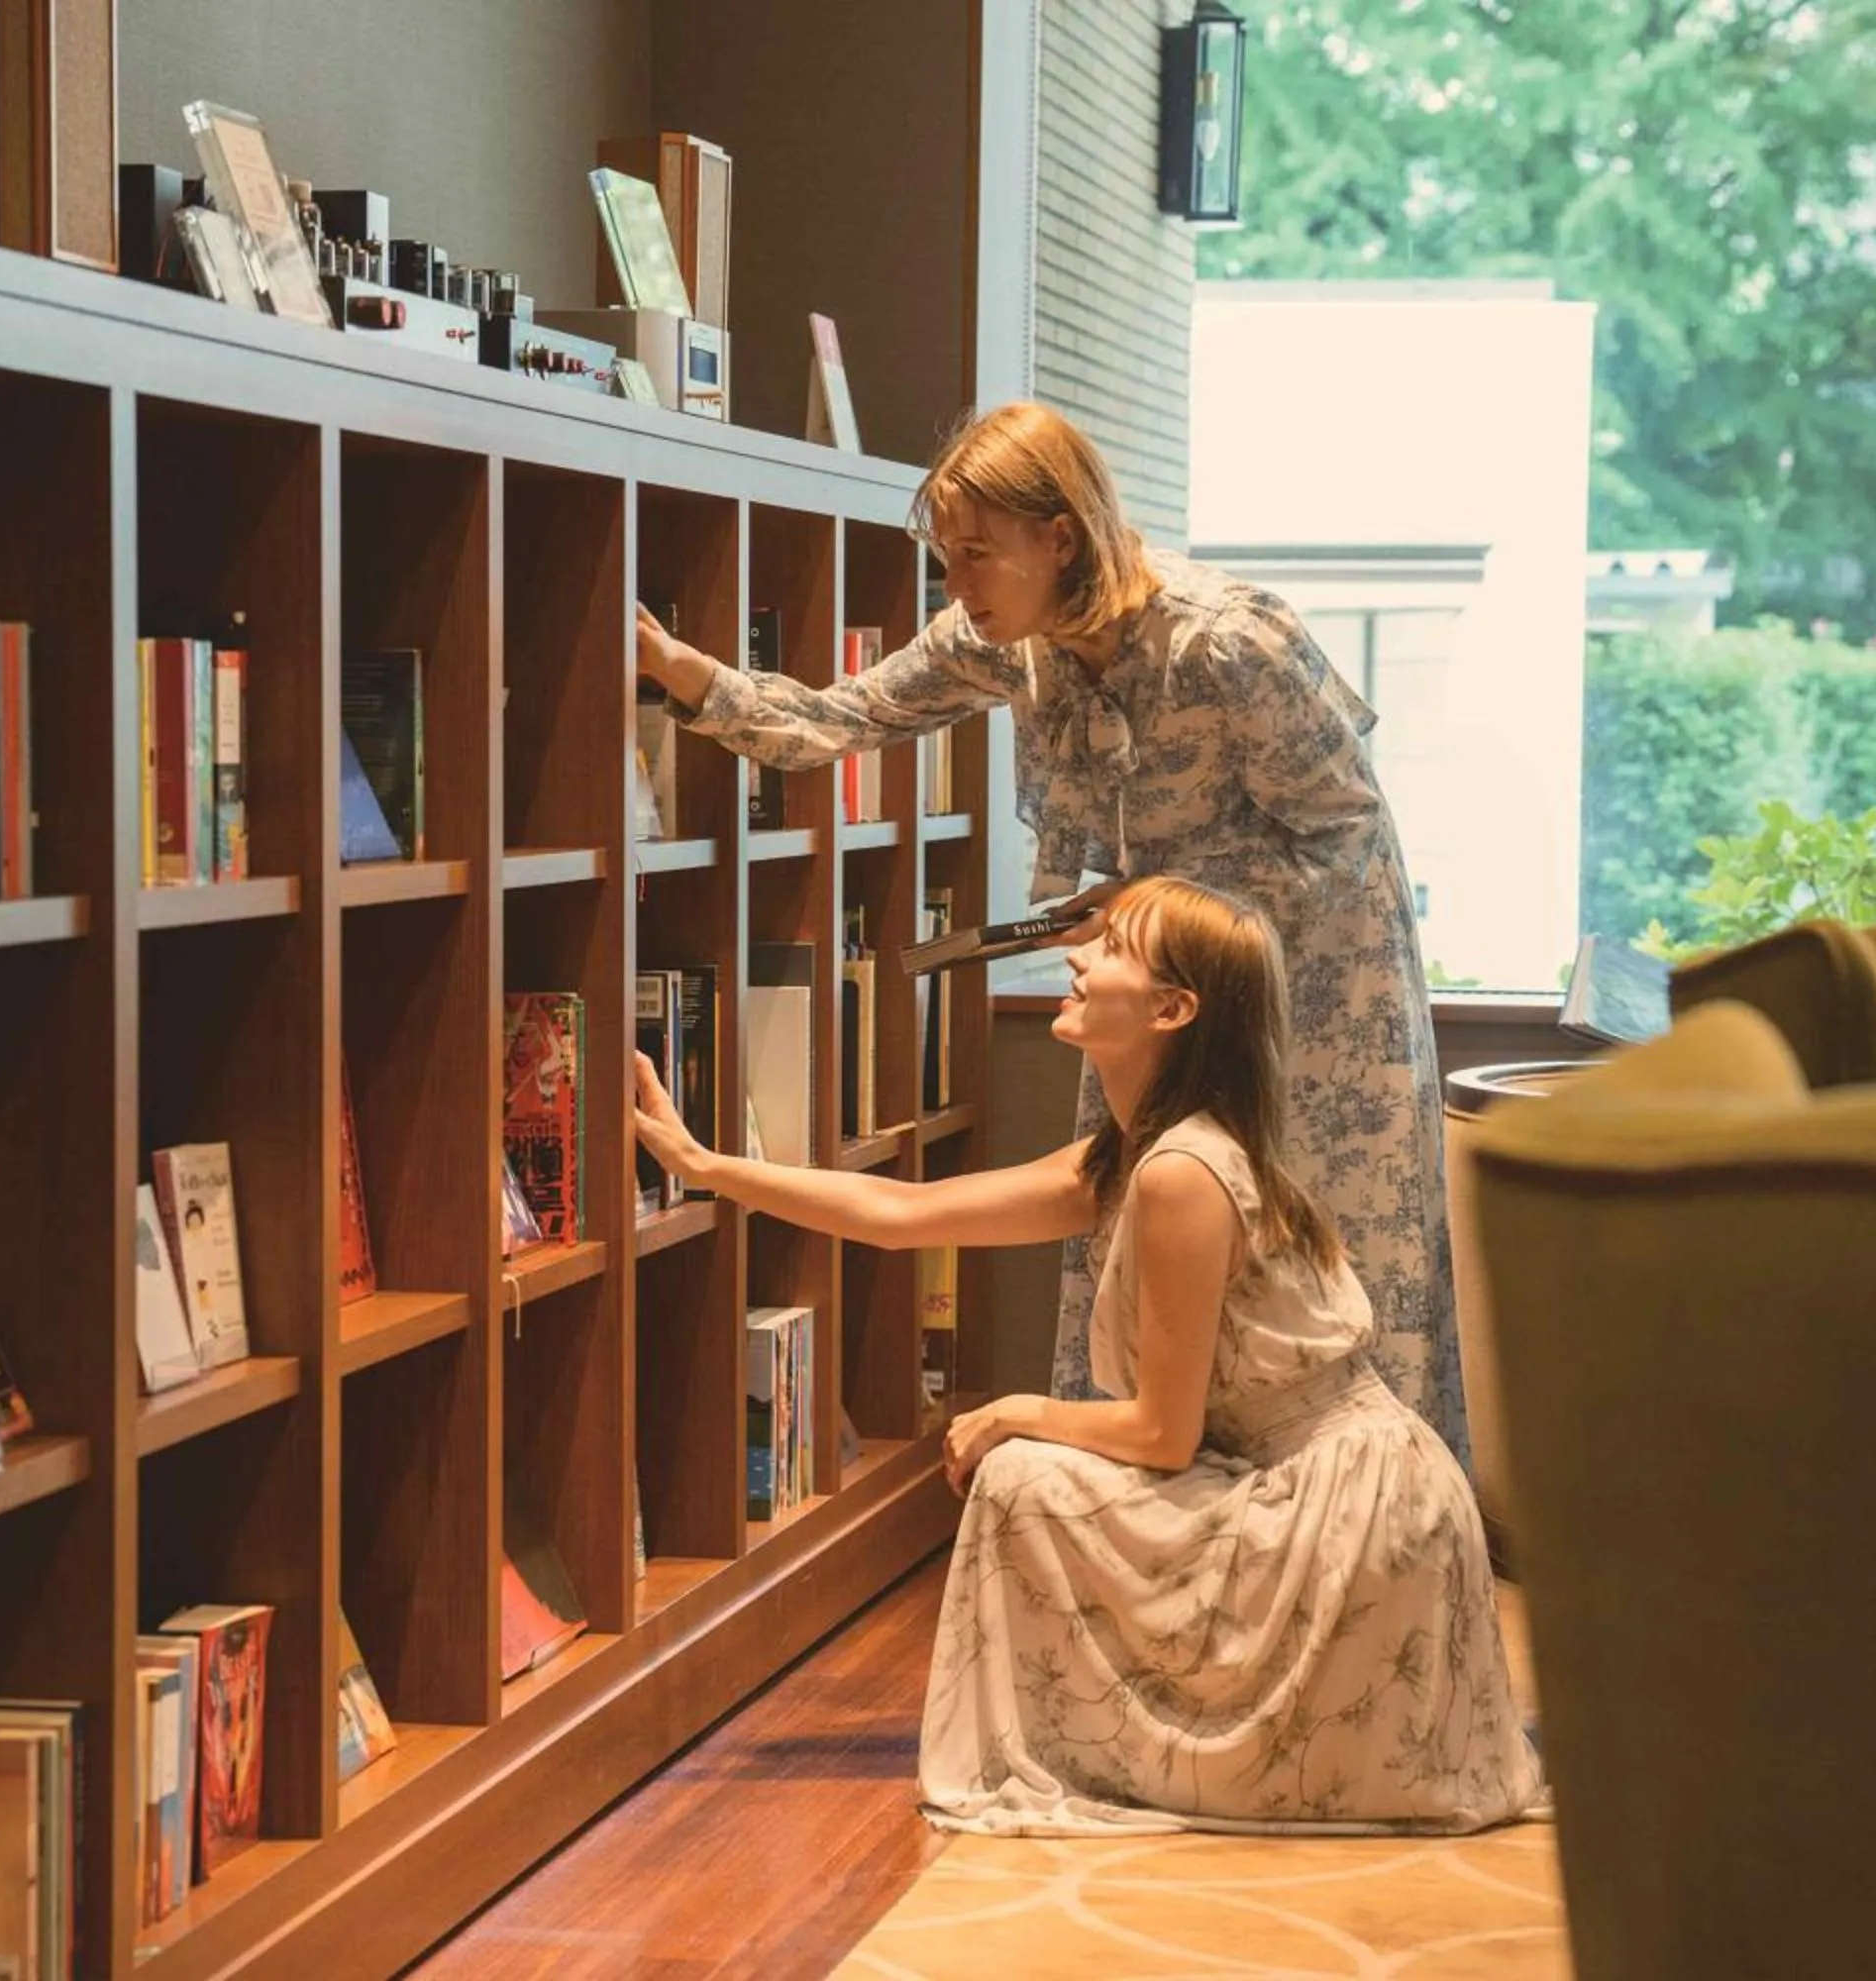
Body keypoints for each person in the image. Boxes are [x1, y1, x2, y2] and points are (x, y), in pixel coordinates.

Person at [636, 401, 1471, 1464]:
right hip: (1156, 986)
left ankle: (1365, 1519)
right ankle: (1177, 1519)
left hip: (1323, 996)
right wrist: (683, 672)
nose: (960, 586)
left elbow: (1348, 841)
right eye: (948, 558)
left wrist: (1155, 892)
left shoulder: (1228, 640)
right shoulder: (1005, 645)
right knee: (1146, 1224)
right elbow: (841, 720)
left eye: (978, 554)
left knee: (1329, 1265)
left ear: (1059, 536)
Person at [629, 877, 1539, 1833]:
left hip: (1346, 1511)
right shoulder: (1133, 1153)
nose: (1075, 959)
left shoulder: (1183, 1174)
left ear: (1172, 1009)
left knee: (1021, 1472)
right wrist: (703, 1167)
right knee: (1026, 1468)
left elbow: (1160, 1433)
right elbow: (902, 1217)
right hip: (1311, 1483)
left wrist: (1014, 1410)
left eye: (1111, 950)